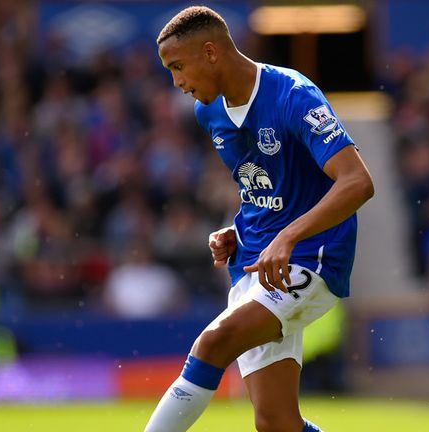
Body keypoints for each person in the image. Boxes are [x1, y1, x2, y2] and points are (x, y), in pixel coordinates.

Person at [146, 6, 374, 432]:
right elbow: (269, 185)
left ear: (210, 52)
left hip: (309, 255)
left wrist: (286, 236)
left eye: (178, 67)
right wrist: (238, 229)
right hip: (255, 260)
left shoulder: (292, 94)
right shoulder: (209, 112)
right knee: (276, 423)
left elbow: (357, 182)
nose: (176, 83)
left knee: (213, 343)